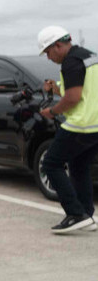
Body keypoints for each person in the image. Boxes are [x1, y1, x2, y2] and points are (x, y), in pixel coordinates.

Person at [37, 26, 98, 233]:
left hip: (81, 125)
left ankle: (75, 213)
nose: (48, 57)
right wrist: (55, 87)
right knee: (79, 167)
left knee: (51, 163)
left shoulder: (70, 62)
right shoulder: (90, 56)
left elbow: (73, 97)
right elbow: (85, 89)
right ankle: (87, 216)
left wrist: (52, 111)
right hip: (95, 125)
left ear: (58, 45)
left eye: (48, 52)